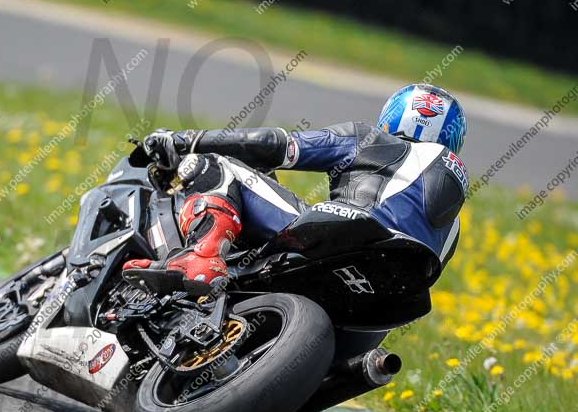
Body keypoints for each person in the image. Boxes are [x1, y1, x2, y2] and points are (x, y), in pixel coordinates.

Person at [124, 83, 469, 292]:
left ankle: (202, 256)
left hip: (340, 239)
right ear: (453, 138)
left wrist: (186, 141)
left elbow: (275, 144)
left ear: (393, 115)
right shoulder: (453, 227)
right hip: (383, 303)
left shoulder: (369, 138)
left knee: (218, 165)